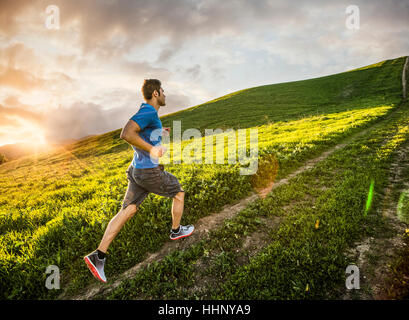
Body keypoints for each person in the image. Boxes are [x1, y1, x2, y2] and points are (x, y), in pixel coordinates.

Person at [84, 79, 194, 283]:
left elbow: (139, 133)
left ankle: (98, 256)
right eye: (162, 91)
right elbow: (127, 133)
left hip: (136, 170)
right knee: (178, 192)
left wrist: (159, 133)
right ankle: (176, 231)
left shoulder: (147, 112)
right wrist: (152, 149)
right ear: (155, 93)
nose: (165, 94)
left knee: (129, 210)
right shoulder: (149, 112)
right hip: (148, 172)